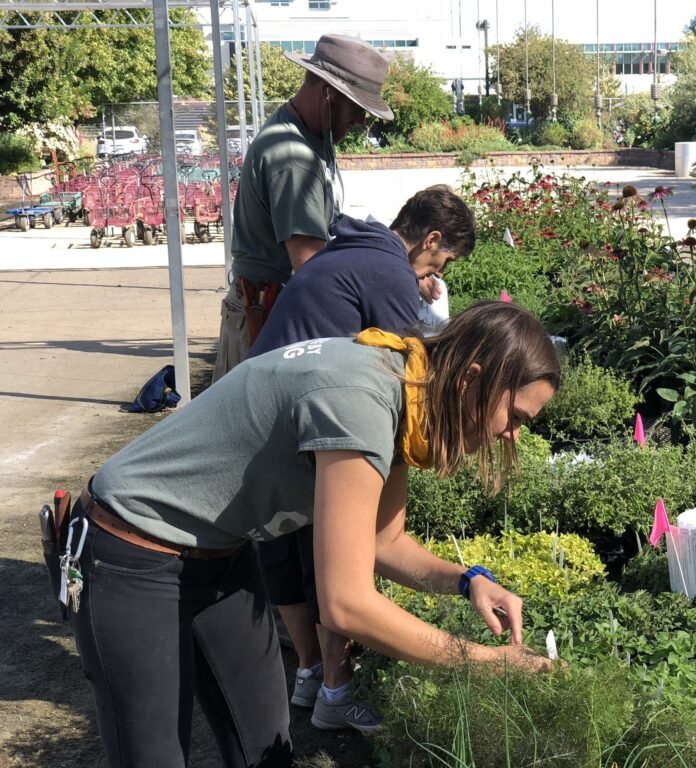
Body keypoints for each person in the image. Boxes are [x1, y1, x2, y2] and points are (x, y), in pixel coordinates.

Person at [67, 301, 559, 767]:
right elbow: (346, 604)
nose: (512, 435)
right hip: (130, 549)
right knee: (153, 755)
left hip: (221, 554)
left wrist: (469, 579)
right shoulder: (362, 399)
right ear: (471, 379)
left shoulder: (407, 391)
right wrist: (479, 660)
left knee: (266, 747)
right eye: (514, 418)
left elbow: (384, 543)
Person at [249, 184, 475, 732]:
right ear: (432, 238)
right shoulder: (388, 271)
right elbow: (408, 372)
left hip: (264, 416)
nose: (439, 270)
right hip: (307, 431)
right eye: (444, 259)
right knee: (334, 566)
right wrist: (430, 312)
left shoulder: (351, 247)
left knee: (291, 560)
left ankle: (308, 675)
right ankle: (335, 689)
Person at [212, 33, 394, 381]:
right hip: (264, 322)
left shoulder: (306, 132)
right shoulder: (294, 159)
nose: (358, 122)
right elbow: (312, 267)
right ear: (328, 95)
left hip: (269, 314)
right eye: (356, 109)